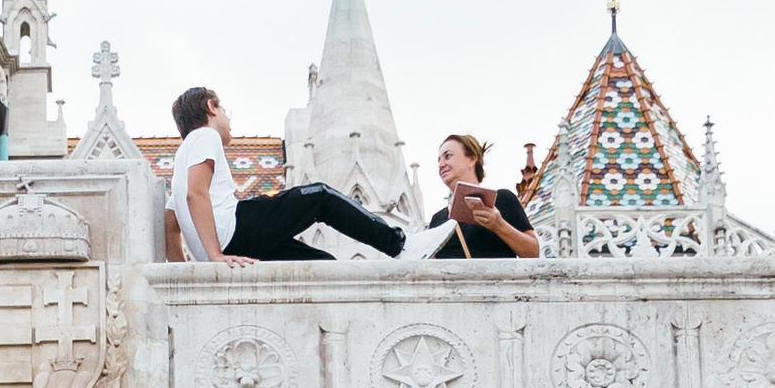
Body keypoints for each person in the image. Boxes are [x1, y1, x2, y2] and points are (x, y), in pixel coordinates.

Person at [164, 85, 405, 267]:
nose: (228, 118)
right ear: (210, 107)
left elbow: (170, 225)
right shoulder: (204, 136)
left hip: (233, 244)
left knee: (323, 267)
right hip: (234, 232)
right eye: (224, 110)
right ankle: (398, 244)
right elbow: (196, 194)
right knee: (320, 196)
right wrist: (215, 254)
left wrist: (185, 275)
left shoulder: (181, 164)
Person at [431, 129, 539, 260]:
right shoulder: (437, 220)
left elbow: (533, 253)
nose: (441, 165)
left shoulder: (501, 200)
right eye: (439, 160)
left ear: (471, 159)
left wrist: (499, 226)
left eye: (448, 156)